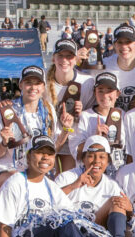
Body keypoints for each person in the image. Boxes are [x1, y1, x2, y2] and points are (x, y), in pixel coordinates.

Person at [0, 134, 135, 237]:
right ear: (28, 156)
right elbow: (4, 225)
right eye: (39, 153)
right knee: (62, 222)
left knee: (76, 222)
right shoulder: (14, 183)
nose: (45, 157)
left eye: (49, 154)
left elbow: (74, 221)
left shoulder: (51, 186)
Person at [0, 65, 70, 192]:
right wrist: (4, 143)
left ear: (43, 87)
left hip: (38, 170)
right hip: (8, 170)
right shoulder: (7, 111)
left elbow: (54, 148)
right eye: (28, 83)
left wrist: (66, 130)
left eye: (38, 83)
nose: (33, 87)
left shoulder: (48, 110)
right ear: (21, 85)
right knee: (21, 182)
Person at [56, 135, 130, 237]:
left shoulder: (112, 184)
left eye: (102, 157)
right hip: (71, 233)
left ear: (108, 161)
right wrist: (73, 186)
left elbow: (124, 213)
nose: (96, 161)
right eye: (91, 156)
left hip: (97, 231)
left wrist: (130, 208)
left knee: (117, 202)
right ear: (83, 158)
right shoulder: (67, 177)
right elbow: (51, 202)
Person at [45, 38, 95, 171]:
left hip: (73, 139)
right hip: (50, 140)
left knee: (69, 180)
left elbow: (92, 114)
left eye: (69, 56)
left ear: (76, 59)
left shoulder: (87, 82)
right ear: (53, 58)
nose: (65, 60)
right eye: (60, 56)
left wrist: (81, 112)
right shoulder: (42, 81)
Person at [69, 72, 126, 174]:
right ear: (94, 93)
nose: (105, 95)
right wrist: (94, 138)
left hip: (117, 176)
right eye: (100, 91)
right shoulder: (84, 116)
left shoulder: (125, 116)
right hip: (90, 176)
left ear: (118, 94)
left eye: (110, 90)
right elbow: (76, 152)